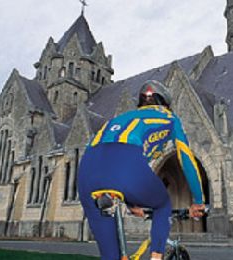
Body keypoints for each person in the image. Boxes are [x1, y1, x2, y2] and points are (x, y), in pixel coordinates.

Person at [78, 80, 205, 260]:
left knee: (111, 257)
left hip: (86, 169)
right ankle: (156, 257)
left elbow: (111, 165)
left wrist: (131, 204)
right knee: (163, 205)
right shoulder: (169, 117)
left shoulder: (119, 118)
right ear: (165, 105)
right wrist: (198, 201)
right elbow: (186, 158)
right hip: (126, 161)